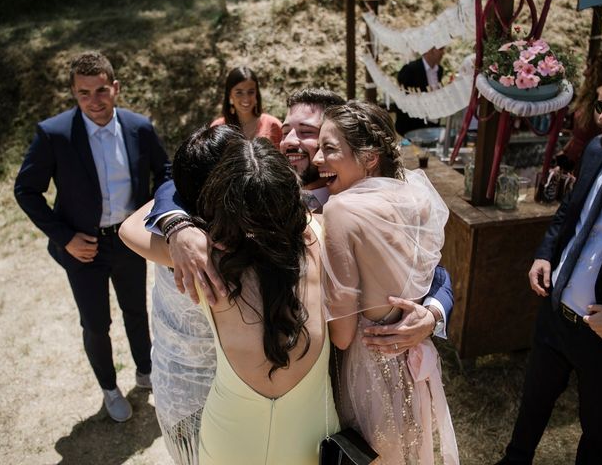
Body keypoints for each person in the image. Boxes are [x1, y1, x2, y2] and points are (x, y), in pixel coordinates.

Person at [147, 88, 454, 354]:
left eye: (308, 132)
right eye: (286, 129)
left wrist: (432, 316)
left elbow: (435, 271)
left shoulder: (366, 206)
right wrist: (177, 224)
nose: (290, 141)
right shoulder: (266, 187)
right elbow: (180, 179)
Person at [13, 51, 171, 422]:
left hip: (130, 240)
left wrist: (154, 217)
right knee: (96, 323)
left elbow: (164, 172)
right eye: (84, 93)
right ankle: (109, 388)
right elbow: (26, 190)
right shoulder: (53, 135)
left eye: (101, 90)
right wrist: (65, 237)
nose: (94, 101)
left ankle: (146, 372)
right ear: (73, 93)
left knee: (136, 311)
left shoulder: (139, 127)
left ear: (115, 87)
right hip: (82, 246)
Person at [497, 63, 602, 464]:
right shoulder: (596, 150)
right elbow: (567, 215)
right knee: (532, 406)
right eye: (601, 104)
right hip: (555, 318)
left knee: (597, 432)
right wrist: (545, 254)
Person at [314, 100, 458, 464]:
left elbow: (343, 336)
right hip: (409, 368)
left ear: (369, 157)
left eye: (329, 149)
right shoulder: (415, 195)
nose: (316, 158)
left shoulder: (341, 210)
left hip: (367, 368)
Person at [196, 137, 340, 463]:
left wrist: (176, 225)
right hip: (312, 436)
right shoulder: (324, 236)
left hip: (229, 440)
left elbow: (132, 225)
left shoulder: (202, 260)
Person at [120, 125, 240, 464]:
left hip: (180, 389)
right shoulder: (223, 250)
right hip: (210, 396)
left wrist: (174, 221)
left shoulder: (173, 246)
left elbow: (134, 222)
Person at [558, 51, 602, 174]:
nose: (585, 73)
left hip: (588, 163)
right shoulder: (588, 97)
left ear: (598, 72)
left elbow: (601, 121)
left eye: (589, 68)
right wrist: (565, 151)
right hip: (572, 160)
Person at [210, 66, 283, 147]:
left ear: (256, 94)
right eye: (239, 92)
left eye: (251, 92)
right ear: (230, 95)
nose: (246, 98)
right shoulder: (218, 128)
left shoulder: (272, 125)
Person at [395, 47, 445, 136]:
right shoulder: (410, 69)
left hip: (432, 123)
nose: (443, 53)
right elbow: (403, 97)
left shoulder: (439, 70)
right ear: (430, 50)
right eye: (440, 49)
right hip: (412, 126)